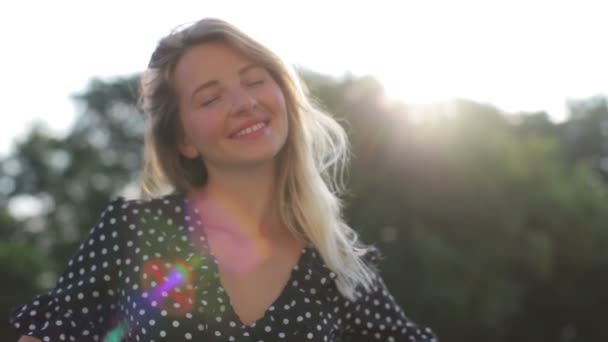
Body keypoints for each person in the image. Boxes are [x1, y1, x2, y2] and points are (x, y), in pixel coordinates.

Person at [10, 18, 437, 341]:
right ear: (183, 139)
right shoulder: (131, 231)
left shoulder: (336, 260)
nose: (245, 103)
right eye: (211, 98)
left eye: (255, 80)